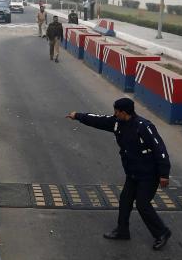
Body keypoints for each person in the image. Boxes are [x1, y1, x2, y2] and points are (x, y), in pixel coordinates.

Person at [66, 98, 172, 250]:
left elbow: (160, 149)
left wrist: (164, 174)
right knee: (125, 200)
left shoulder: (144, 127)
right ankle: (122, 231)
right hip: (133, 173)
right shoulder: (117, 123)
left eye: (117, 111)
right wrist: (77, 116)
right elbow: (98, 120)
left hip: (149, 175)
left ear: (124, 112)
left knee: (142, 204)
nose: (114, 114)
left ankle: (162, 232)